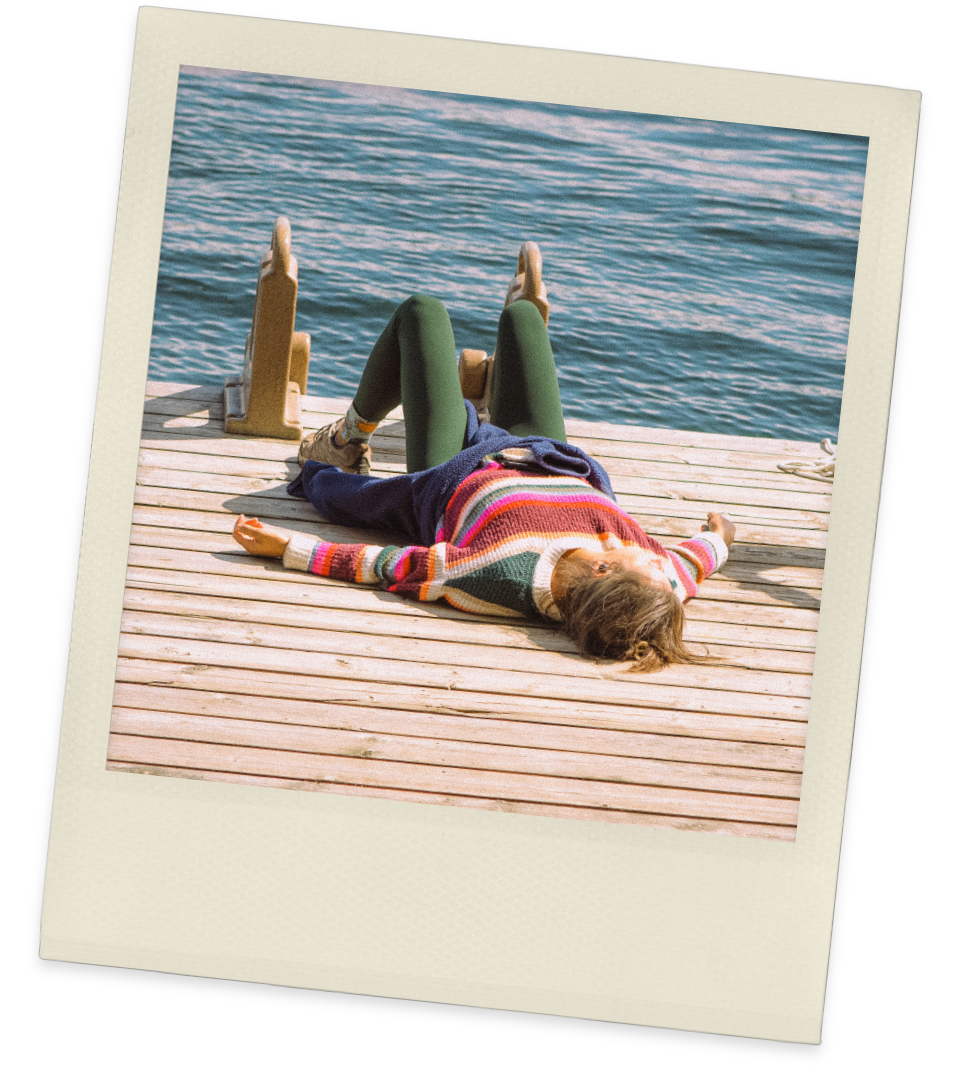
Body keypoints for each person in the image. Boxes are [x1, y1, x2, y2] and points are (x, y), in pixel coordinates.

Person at [233, 293, 736, 672]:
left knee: (423, 313)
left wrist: (288, 547)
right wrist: (719, 537)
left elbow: (386, 564)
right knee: (523, 318)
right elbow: (689, 565)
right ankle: (482, 400)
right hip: (549, 456)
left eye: (646, 560)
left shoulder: (493, 574)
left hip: (454, 468)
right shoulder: (653, 586)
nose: (654, 552)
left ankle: (346, 438)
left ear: (604, 571)